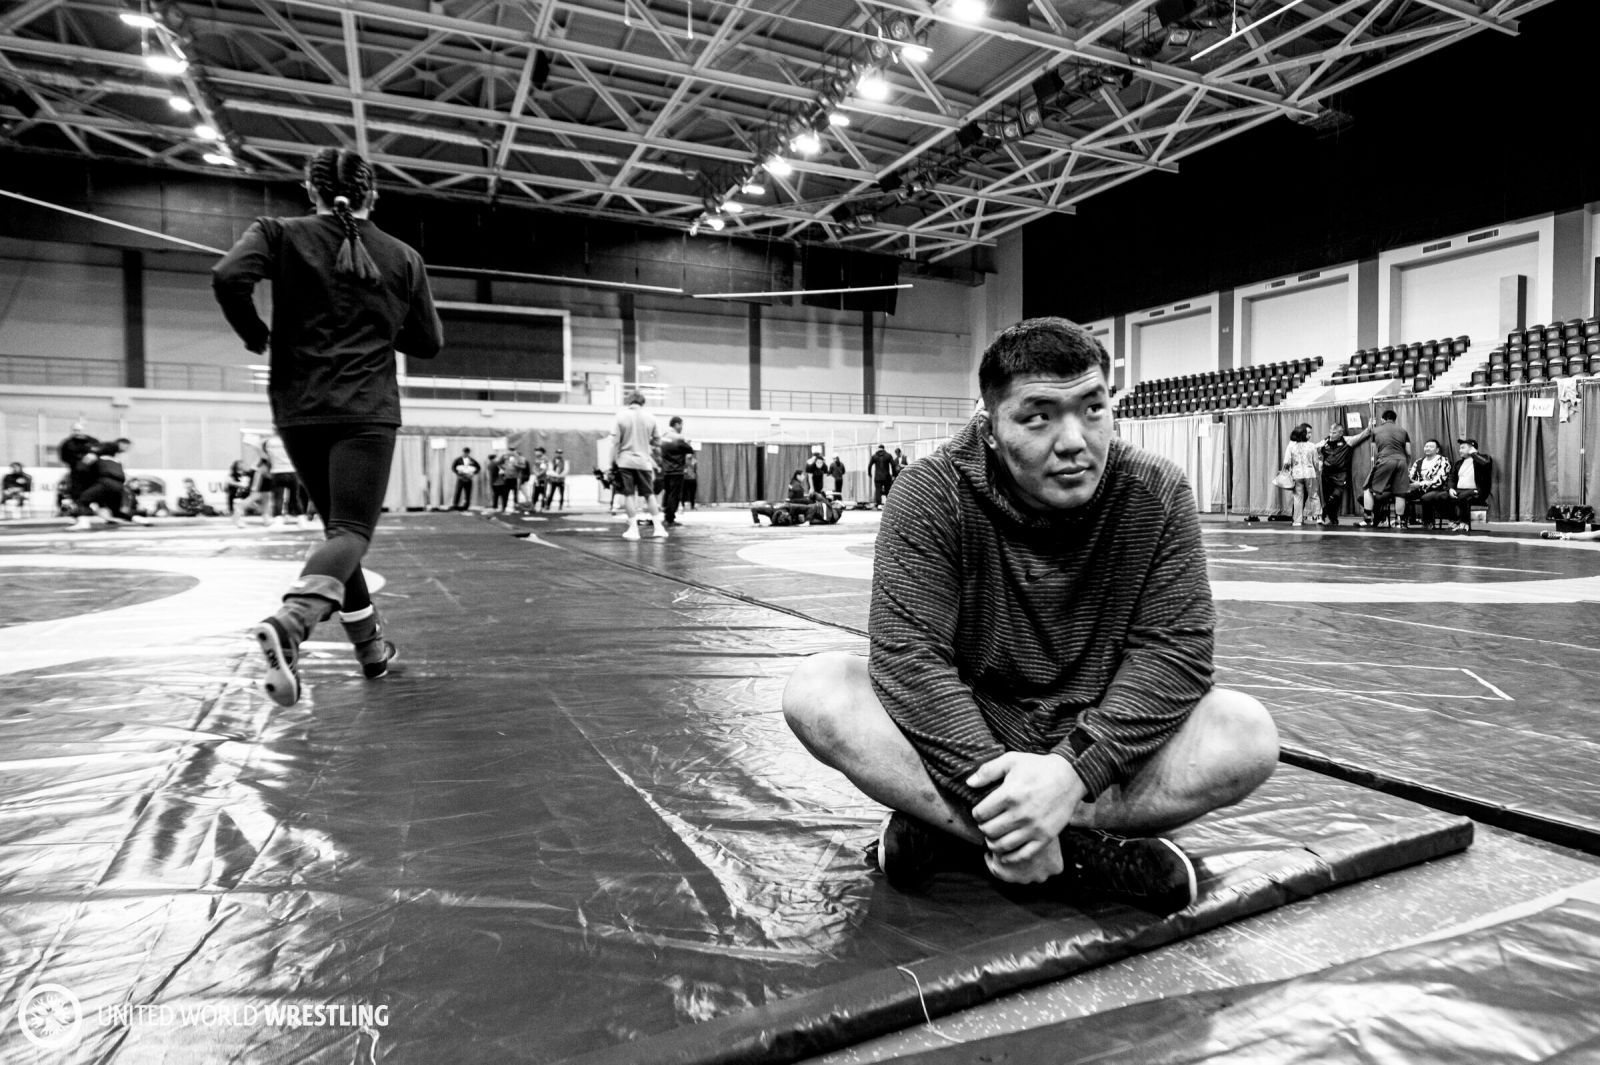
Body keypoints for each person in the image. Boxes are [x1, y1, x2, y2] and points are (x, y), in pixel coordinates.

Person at [782, 317, 1277, 915]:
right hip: (973, 726)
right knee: (817, 690)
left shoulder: (1157, 491)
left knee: (1246, 735)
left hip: (1095, 732)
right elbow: (911, 659)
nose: (1074, 440)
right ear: (990, 427)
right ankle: (1078, 852)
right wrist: (999, 783)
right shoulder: (930, 491)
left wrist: (1070, 774)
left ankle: (954, 830)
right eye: (1038, 417)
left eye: (1093, 409)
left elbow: (1173, 653)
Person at [213, 145, 443, 707]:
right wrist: (381, 322)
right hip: (365, 407)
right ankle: (293, 620)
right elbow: (428, 342)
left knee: (338, 533)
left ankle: (371, 650)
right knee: (351, 532)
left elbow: (228, 277)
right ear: (373, 195)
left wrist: (254, 333)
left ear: (311, 190)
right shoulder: (403, 257)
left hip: (298, 405)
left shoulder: (277, 232)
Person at [610, 391, 666, 541]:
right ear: (643, 402)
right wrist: (646, 440)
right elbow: (658, 442)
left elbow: (615, 443)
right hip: (644, 462)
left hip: (625, 461)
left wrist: (612, 463)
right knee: (649, 495)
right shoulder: (651, 417)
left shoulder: (620, 416)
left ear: (629, 401)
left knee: (629, 495)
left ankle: (633, 529)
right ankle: (659, 528)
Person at [1348, 410, 1410, 528]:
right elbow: (1409, 452)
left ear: (1382, 419)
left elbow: (1375, 451)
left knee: (1368, 488)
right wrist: (1406, 463)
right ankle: (1400, 523)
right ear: (1394, 419)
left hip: (1385, 459)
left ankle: (1368, 519)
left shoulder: (1376, 431)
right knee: (1400, 493)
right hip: (1402, 461)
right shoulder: (1403, 431)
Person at [69, 438, 147, 529]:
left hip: (105, 483)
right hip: (119, 486)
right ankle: (139, 519)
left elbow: (82, 470)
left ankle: (83, 523)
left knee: (82, 501)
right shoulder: (116, 461)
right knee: (116, 511)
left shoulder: (96, 458)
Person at [1446, 438, 1493, 533]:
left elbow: (1486, 463)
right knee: (1441, 496)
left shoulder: (1483, 458)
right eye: (1460, 448)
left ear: (1472, 448)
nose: (1460, 450)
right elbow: (1452, 478)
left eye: (1463, 448)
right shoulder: (1458, 463)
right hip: (1460, 490)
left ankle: (1464, 523)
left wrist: (1474, 453)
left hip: (1477, 491)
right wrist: (1451, 488)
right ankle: (1454, 521)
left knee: (1463, 496)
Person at [1403, 439, 1452, 529]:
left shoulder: (1443, 461)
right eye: (1426, 446)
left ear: (1437, 450)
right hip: (1419, 488)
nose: (1428, 448)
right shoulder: (1418, 462)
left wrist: (1420, 484)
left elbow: (1440, 480)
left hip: (1437, 489)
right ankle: (1405, 521)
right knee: (1403, 494)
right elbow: (1411, 476)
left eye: (1431, 447)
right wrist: (1410, 482)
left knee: (1426, 497)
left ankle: (1428, 523)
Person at [1282, 424, 1321, 527]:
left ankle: (1297, 520)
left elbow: (1286, 462)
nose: (1310, 435)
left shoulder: (1292, 446)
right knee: (1314, 496)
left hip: (1297, 474)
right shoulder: (1312, 446)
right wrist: (1318, 471)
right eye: (1308, 433)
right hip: (1310, 473)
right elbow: (1316, 462)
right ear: (1304, 434)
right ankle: (1318, 517)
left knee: (1298, 498)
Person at [262, 433, 303, 528]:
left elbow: (266, 456)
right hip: (292, 471)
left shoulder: (269, 442)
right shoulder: (290, 439)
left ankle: (278, 520)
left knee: (278, 498)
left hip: (277, 471)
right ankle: (301, 519)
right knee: (295, 497)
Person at [660, 416, 694, 527]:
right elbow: (690, 450)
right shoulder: (678, 438)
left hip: (666, 470)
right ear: (677, 424)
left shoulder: (664, 436)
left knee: (667, 493)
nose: (682, 427)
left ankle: (666, 517)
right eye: (681, 425)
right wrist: (687, 442)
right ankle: (670, 519)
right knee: (674, 495)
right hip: (676, 471)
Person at [1317, 424, 1354, 525]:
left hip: (1340, 475)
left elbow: (1361, 436)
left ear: (1341, 433)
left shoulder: (1347, 441)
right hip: (1326, 475)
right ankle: (1333, 519)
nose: (1331, 435)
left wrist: (1368, 429)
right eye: (1330, 432)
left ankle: (1325, 513)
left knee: (1335, 497)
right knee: (1327, 498)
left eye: (1334, 433)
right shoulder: (1325, 442)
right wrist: (1319, 450)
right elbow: (1313, 449)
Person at [224, 459, 254, 526]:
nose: (242, 465)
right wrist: (238, 484)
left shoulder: (247, 473)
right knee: (231, 495)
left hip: (245, 491)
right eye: (240, 464)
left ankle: (247, 510)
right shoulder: (233, 474)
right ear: (236, 465)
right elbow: (229, 481)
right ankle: (232, 511)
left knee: (250, 495)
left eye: (243, 464)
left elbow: (250, 481)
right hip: (235, 491)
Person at [869, 444, 895, 508]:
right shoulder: (888, 455)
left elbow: (869, 465)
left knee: (878, 490)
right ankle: (889, 504)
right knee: (887, 490)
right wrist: (894, 474)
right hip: (886, 476)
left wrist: (870, 474)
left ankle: (879, 504)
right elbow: (893, 465)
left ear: (878, 448)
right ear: (884, 448)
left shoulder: (874, 456)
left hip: (877, 477)